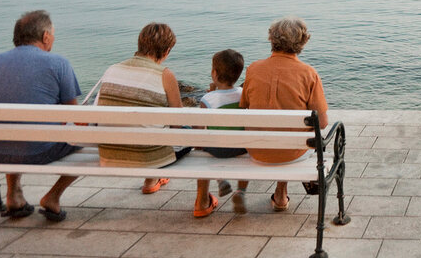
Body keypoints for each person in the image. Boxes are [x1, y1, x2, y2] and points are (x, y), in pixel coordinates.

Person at [0, 10, 81, 221]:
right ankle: (52, 197)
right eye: (53, 34)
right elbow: (75, 115)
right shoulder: (58, 63)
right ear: (45, 36)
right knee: (86, 135)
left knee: (13, 124)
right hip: (36, 152)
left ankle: (14, 194)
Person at [239, 16, 329, 212]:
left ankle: (280, 194)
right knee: (297, 137)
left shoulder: (253, 69)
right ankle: (280, 193)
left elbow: (244, 104)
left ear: (272, 39)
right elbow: (322, 123)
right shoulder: (309, 74)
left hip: (257, 150)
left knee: (280, 133)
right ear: (303, 41)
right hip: (293, 152)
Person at [95, 22, 190, 194]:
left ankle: (151, 181)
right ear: (167, 51)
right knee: (187, 131)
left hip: (110, 153)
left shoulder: (112, 69)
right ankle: (152, 178)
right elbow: (178, 122)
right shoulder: (165, 75)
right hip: (148, 156)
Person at [194, 48, 250, 216]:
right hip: (241, 147)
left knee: (202, 141)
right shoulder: (242, 94)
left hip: (216, 149)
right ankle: (240, 191)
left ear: (215, 73)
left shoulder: (207, 99)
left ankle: (220, 179)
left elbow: (198, 132)